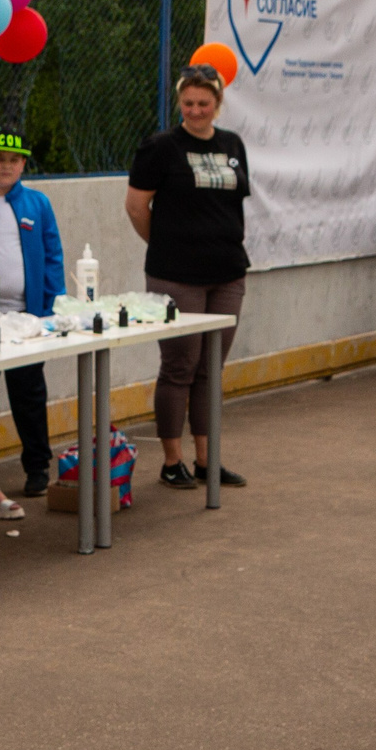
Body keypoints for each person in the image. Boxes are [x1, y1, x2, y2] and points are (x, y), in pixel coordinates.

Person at [127, 63, 251, 490]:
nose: (196, 111)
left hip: (228, 273)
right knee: (180, 366)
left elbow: (234, 205)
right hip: (175, 276)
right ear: (179, 103)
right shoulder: (160, 147)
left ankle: (206, 459)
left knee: (210, 369)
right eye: (188, 103)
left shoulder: (233, 144)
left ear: (217, 103)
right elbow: (137, 207)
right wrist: (164, 246)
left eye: (204, 103)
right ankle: (171, 461)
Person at [0, 128, 65, 498]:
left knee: (29, 395)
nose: (6, 166)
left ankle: (38, 467)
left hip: (26, 319)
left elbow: (53, 255)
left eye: (14, 160)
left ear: (24, 164)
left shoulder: (37, 204)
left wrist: (53, 307)